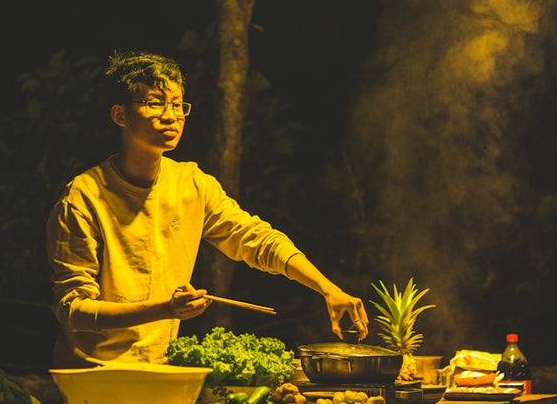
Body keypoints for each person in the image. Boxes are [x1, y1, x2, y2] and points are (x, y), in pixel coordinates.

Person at [46, 49, 369, 368]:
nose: (171, 115)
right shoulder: (84, 196)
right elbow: (74, 310)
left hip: (162, 370)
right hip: (93, 374)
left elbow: (255, 239)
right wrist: (166, 309)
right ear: (120, 115)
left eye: (177, 105)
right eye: (155, 103)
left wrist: (328, 289)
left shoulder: (191, 183)